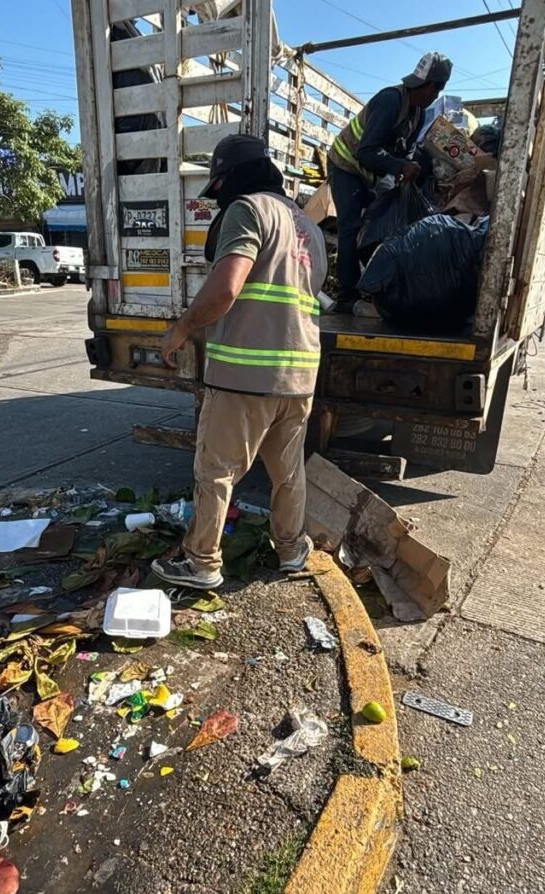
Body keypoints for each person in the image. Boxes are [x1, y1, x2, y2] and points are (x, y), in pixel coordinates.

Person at [150, 134, 328, 590]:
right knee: (288, 472)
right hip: (300, 374)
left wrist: (182, 328)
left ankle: (201, 562)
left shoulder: (247, 209)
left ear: (230, 178)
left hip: (244, 374)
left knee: (216, 471)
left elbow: (227, 287)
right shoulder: (306, 224)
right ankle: (291, 550)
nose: (217, 199)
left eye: (218, 187)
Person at [327, 51, 453, 313]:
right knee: (350, 227)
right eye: (437, 89)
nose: (435, 95)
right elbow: (366, 151)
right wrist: (399, 167)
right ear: (431, 86)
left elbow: (405, 151)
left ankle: (371, 286)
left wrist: (406, 169)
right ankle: (346, 298)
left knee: (374, 226)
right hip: (346, 165)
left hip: (368, 174)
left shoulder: (417, 114)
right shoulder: (390, 100)